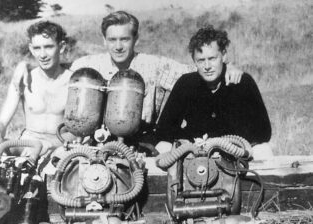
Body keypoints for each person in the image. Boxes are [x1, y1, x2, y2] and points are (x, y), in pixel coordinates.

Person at [69, 11, 243, 152]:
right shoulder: (86, 65)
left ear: (136, 39)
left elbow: (199, 71)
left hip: (142, 144)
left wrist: (228, 66)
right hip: (93, 143)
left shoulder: (155, 65)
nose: (118, 46)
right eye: (112, 40)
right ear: (104, 40)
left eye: (125, 39)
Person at [155, 25, 272, 159]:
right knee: (162, 147)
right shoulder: (186, 84)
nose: (207, 67)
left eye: (212, 59)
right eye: (201, 60)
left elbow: (263, 132)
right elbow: (163, 130)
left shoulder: (242, 82)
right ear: (194, 61)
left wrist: (231, 143)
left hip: (234, 152)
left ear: (223, 56)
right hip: (196, 152)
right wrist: (188, 141)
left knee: (264, 150)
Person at [0, 20, 74, 156]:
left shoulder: (74, 83)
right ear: (31, 49)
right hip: (27, 144)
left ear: (61, 47)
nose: (42, 55)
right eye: (37, 48)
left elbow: (79, 134)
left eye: (48, 47)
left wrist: (51, 145)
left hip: (58, 148)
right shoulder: (23, 80)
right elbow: (1, 122)